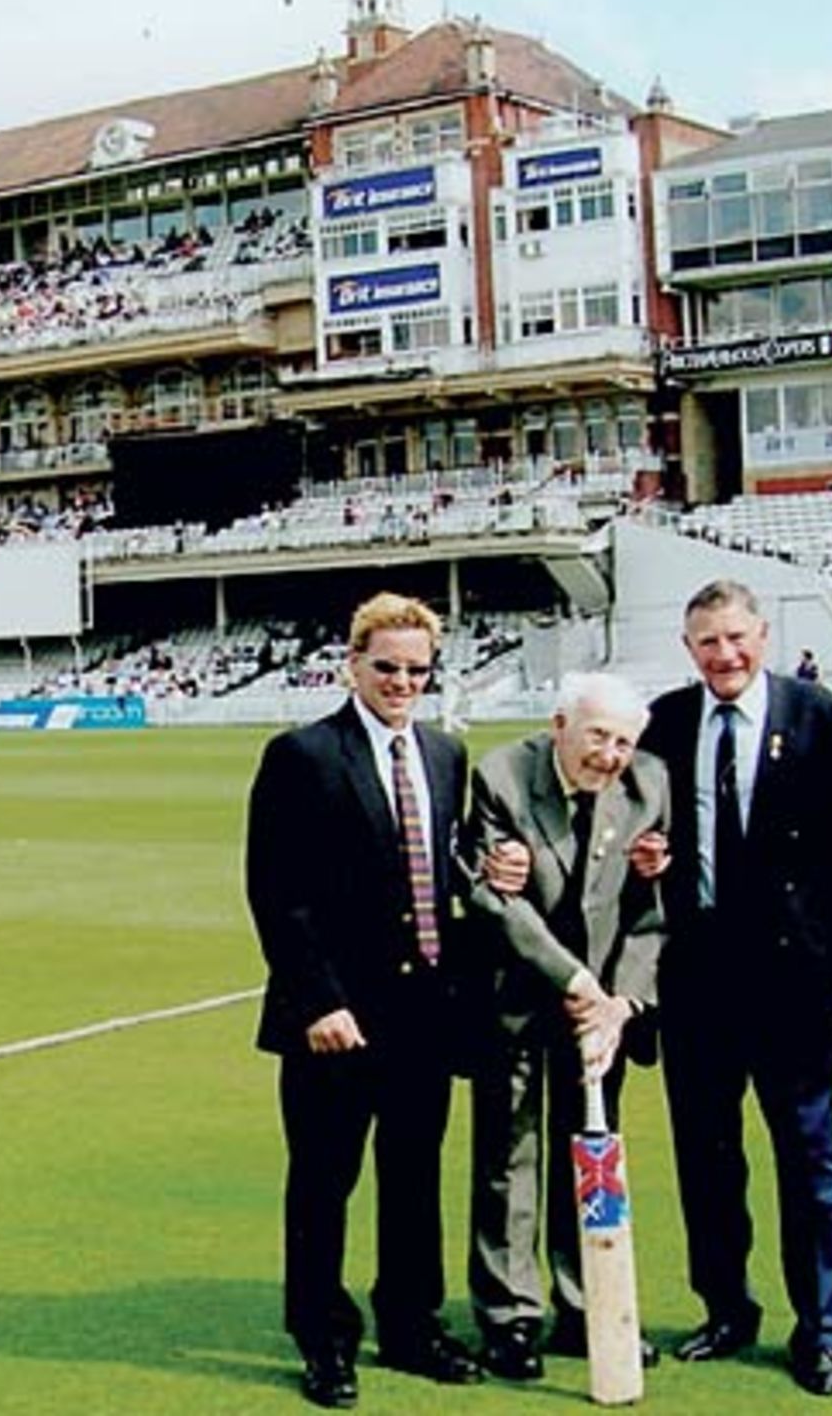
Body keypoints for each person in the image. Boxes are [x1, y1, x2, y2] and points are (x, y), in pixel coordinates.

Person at [245, 591, 525, 1409]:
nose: (402, 682)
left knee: (413, 1178)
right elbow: (276, 891)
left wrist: (494, 866)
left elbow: (450, 865)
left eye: (416, 670)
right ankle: (324, 1340)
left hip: (424, 1014)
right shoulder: (302, 755)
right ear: (353, 664)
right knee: (324, 1183)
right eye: (387, 667)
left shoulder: (444, 754)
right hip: (335, 1019)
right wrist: (318, 1001)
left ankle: (409, 1325)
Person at [640, 579, 832, 1398]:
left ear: (764, 637)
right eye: (709, 642)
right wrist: (651, 855)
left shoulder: (820, 718)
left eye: (738, 638)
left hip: (795, 982)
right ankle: (725, 1309)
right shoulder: (667, 722)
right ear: (690, 649)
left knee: (810, 1163)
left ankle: (823, 1330)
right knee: (708, 1162)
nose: (726, 655)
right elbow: (639, 831)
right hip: (697, 980)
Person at [462, 672, 669, 1381]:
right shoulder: (502, 776)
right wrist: (576, 982)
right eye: (598, 737)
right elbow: (495, 903)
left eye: (623, 742)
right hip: (518, 994)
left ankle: (586, 1308)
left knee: (590, 1156)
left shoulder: (649, 785)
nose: (610, 755)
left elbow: (649, 912)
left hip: (602, 1014)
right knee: (509, 1158)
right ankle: (510, 1317)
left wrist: (621, 1004)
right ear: (559, 724)